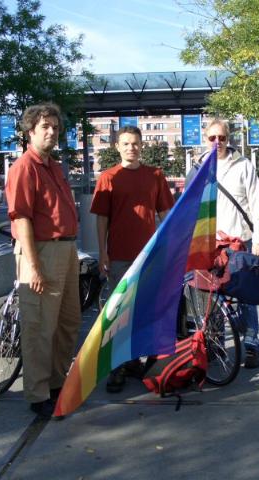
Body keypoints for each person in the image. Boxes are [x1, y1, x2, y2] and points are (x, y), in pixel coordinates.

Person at [5, 103, 82, 418]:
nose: (51, 132)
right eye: (45, 127)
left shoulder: (53, 166)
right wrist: (33, 266)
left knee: (68, 323)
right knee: (40, 327)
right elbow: (21, 218)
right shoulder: (24, 167)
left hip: (66, 250)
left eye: (55, 127)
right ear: (30, 132)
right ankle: (38, 395)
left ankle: (55, 383)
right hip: (41, 251)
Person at [91, 125, 175, 393]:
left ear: (142, 145)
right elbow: (101, 218)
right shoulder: (108, 177)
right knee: (118, 314)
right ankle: (116, 368)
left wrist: (171, 246)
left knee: (145, 311)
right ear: (118, 147)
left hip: (149, 257)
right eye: (126, 143)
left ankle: (139, 361)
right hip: (119, 256)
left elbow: (167, 214)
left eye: (135, 143)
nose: (131, 148)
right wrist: (102, 251)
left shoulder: (155, 176)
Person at [191, 118, 259, 369]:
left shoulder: (243, 165)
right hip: (209, 245)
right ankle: (217, 344)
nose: (217, 143)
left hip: (238, 241)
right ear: (206, 139)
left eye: (221, 138)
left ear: (228, 138)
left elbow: (257, 203)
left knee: (245, 296)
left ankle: (252, 344)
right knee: (211, 299)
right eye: (212, 138)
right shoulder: (198, 167)